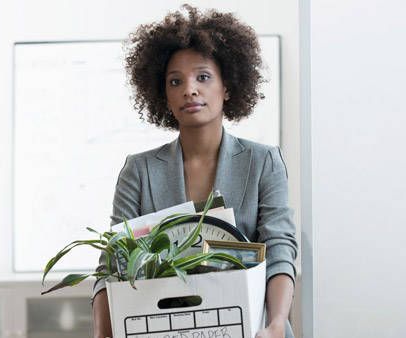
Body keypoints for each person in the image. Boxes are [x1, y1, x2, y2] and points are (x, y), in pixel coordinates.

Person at [91, 5, 298, 338]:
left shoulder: (263, 162)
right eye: (176, 81)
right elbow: (113, 263)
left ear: (227, 86)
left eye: (203, 77)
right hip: (165, 328)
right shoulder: (138, 171)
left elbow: (279, 250)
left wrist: (275, 326)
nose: (190, 89)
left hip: (252, 329)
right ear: (164, 95)